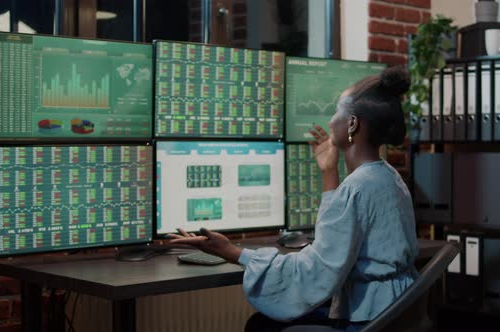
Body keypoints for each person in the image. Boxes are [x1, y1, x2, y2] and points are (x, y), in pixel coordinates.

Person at [168, 66, 419, 332]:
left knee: (262, 328)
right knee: (263, 323)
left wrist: (232, 252)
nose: (331, 119)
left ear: (353, 124)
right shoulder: (387, 177)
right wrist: (329, 171)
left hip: (369, 322)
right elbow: (335, 244)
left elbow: (316, 270)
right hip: (396, 313)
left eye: (336, 111)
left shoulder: (358, 187)